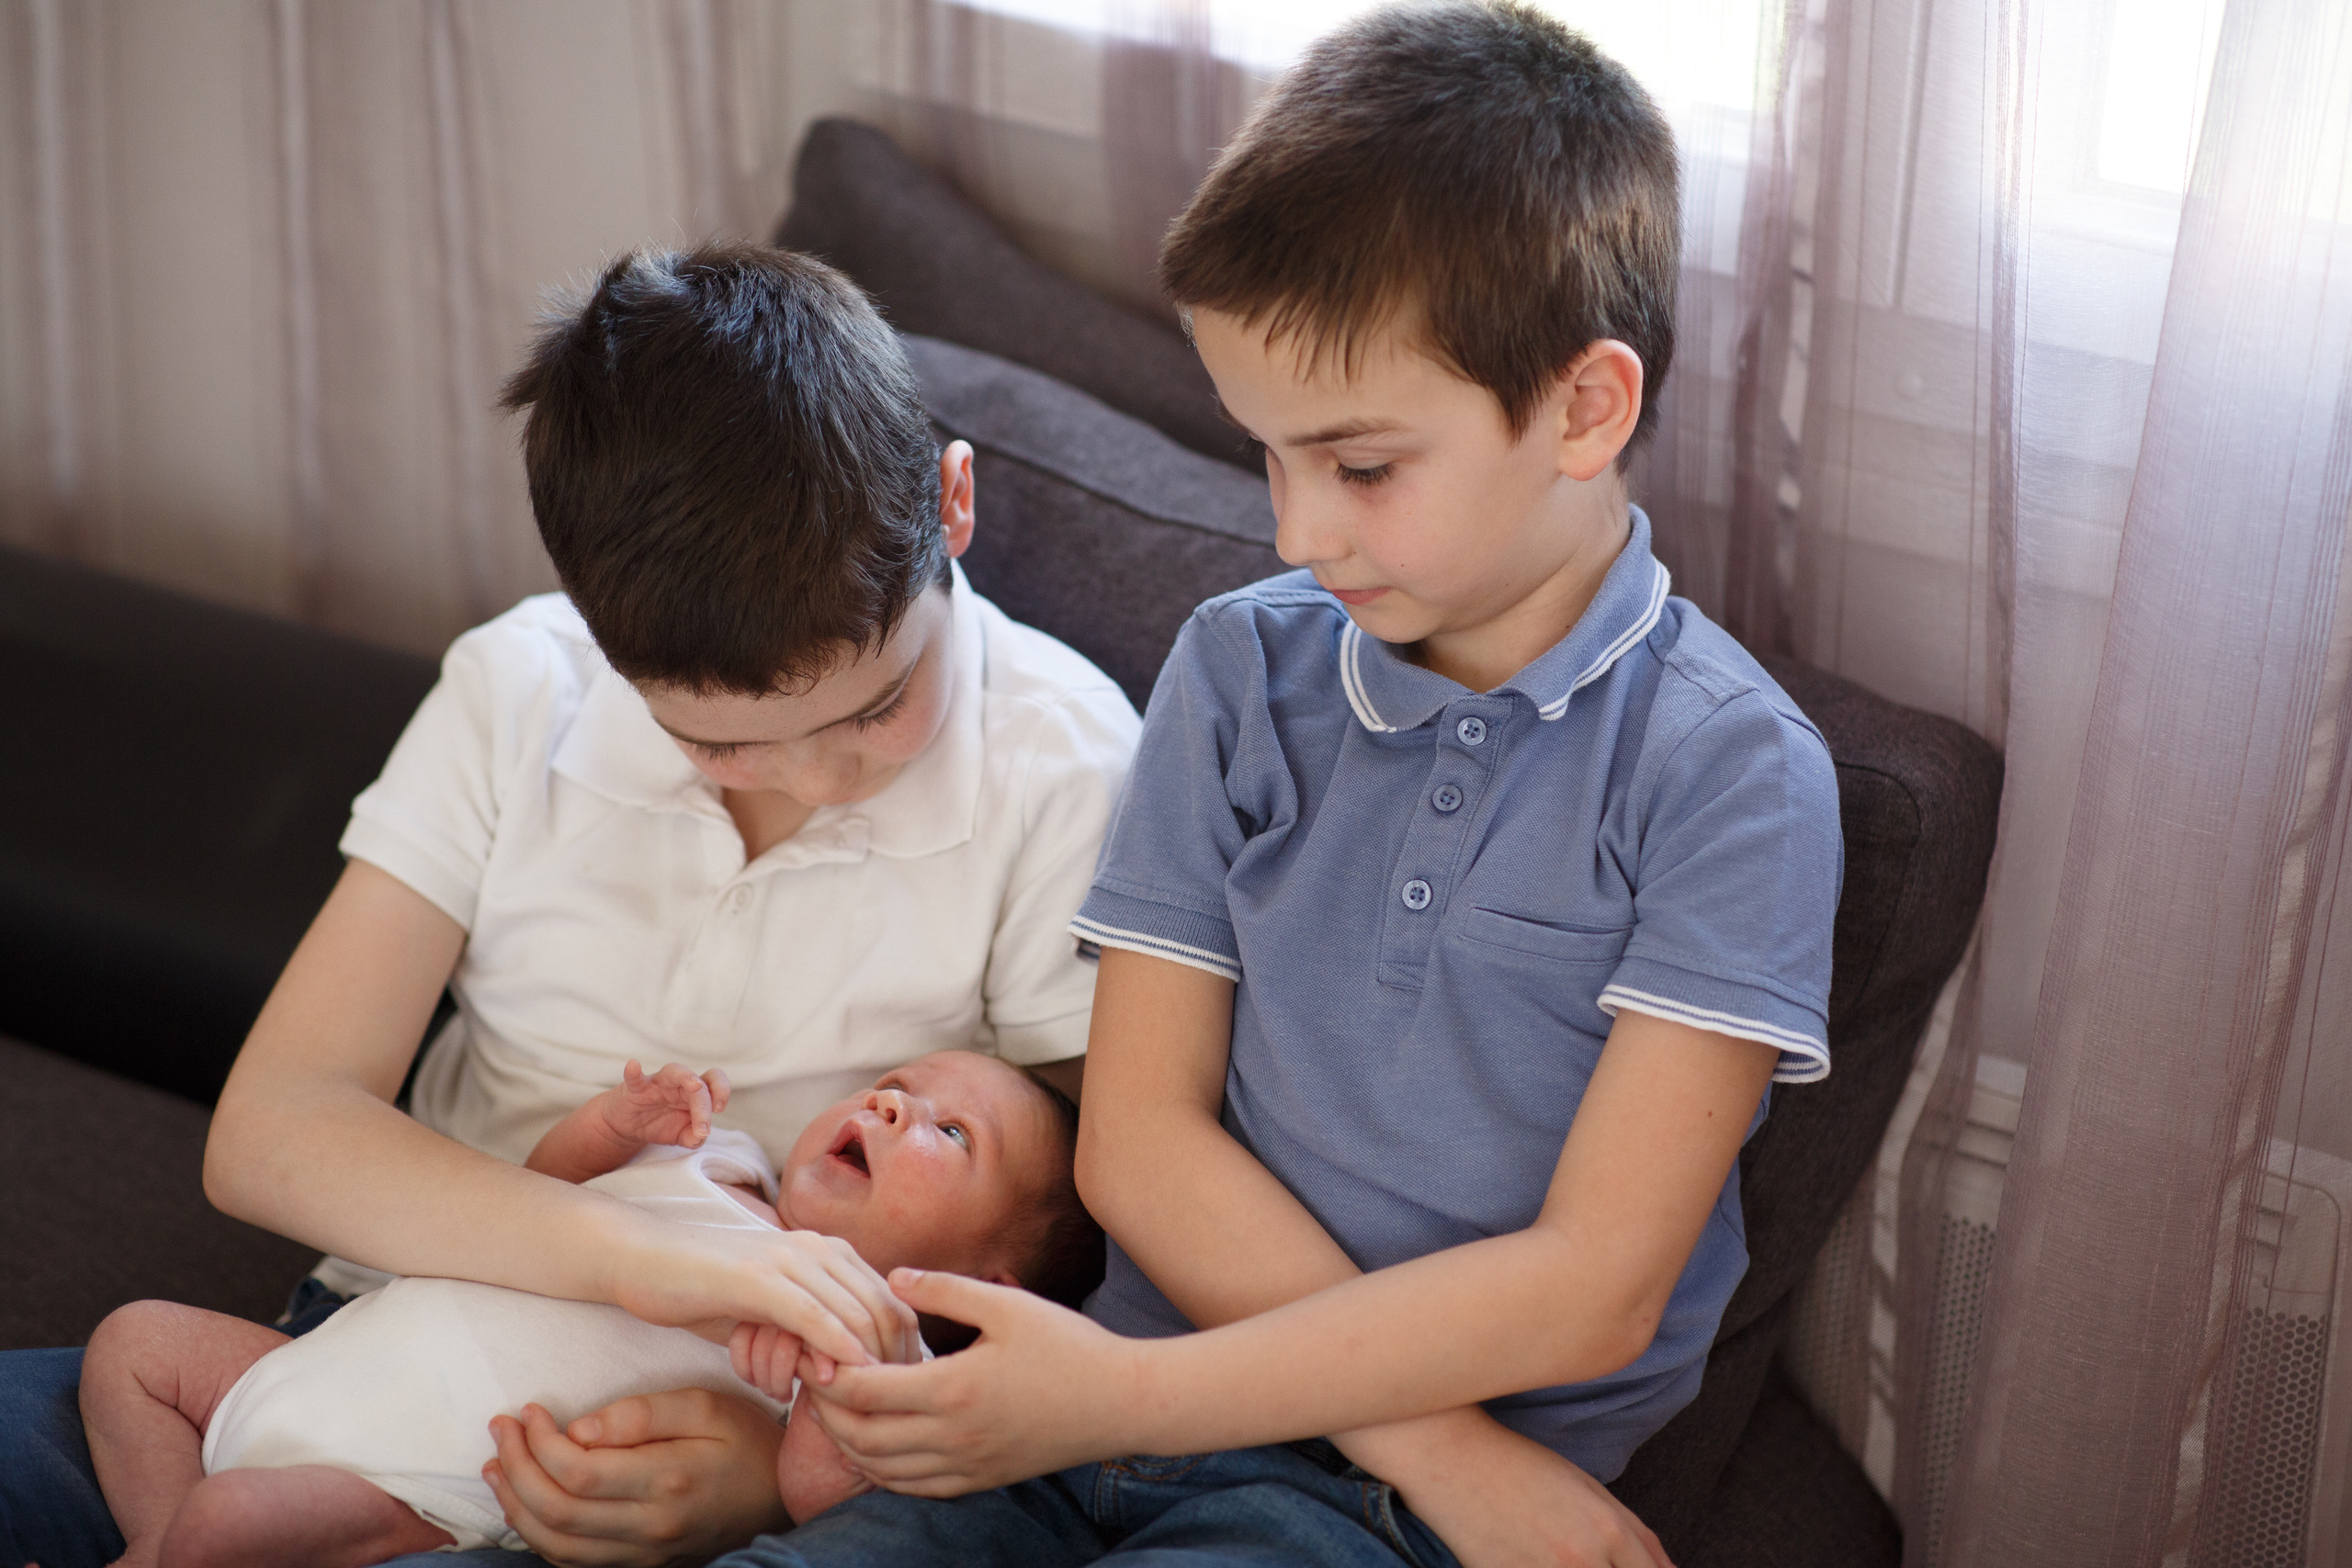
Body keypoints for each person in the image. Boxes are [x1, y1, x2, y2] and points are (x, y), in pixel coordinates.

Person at [709, 6, 1843, 1568]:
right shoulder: (1242, 668)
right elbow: (1139, 1143)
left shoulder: (1734, 776)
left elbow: (1597, 1284)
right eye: (1270, 457)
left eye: (1362, 465)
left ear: (1586, 407)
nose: (1300, 530)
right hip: (1120, 1402)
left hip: (1360, 1521)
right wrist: (1221, 1413)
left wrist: (1211, 1417)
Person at [0, 243, 1139, 1568]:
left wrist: (768, 1476)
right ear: (605, 638)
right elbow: (270, 1133)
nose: (822, 776)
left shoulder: (1065, 767)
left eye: (881, 705)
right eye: (720, 742)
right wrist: (626, 1253)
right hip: (383, 1323)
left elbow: (1091, 1231)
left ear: (954, 503)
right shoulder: (518, 689)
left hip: (682, 1429)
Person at [82, 1051, 1102, 1568]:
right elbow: (535, 1198)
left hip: (414, 1475)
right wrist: (609, 1129)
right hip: (316, 1361)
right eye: (893, 1084)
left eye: (952, 1135)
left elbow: (815, 1495)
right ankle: (158, 1550)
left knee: (224, 1521)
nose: (890, 1104)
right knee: (134, 1345)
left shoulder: (870, 1336)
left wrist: (854, 1393)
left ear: (987, 1289)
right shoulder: (719, 1158)